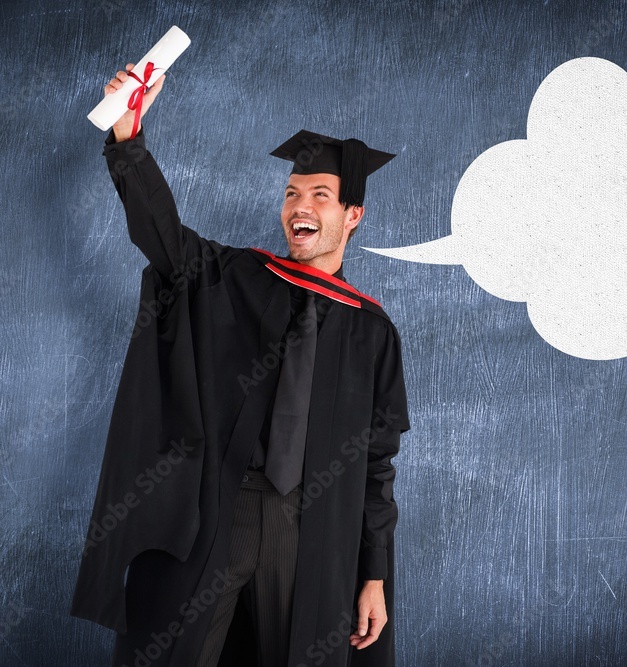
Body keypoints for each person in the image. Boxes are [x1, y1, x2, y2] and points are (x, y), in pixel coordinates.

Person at [70, 64, 411, 667]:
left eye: (319, 196)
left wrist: (374, 576)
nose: (299, 207)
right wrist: (129, 141)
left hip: (316, 527)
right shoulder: (235, 278)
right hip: (223, 510)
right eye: (291, 194)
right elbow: (164, 238)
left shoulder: (372, 330)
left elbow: (377, 463)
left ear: (352, 216)